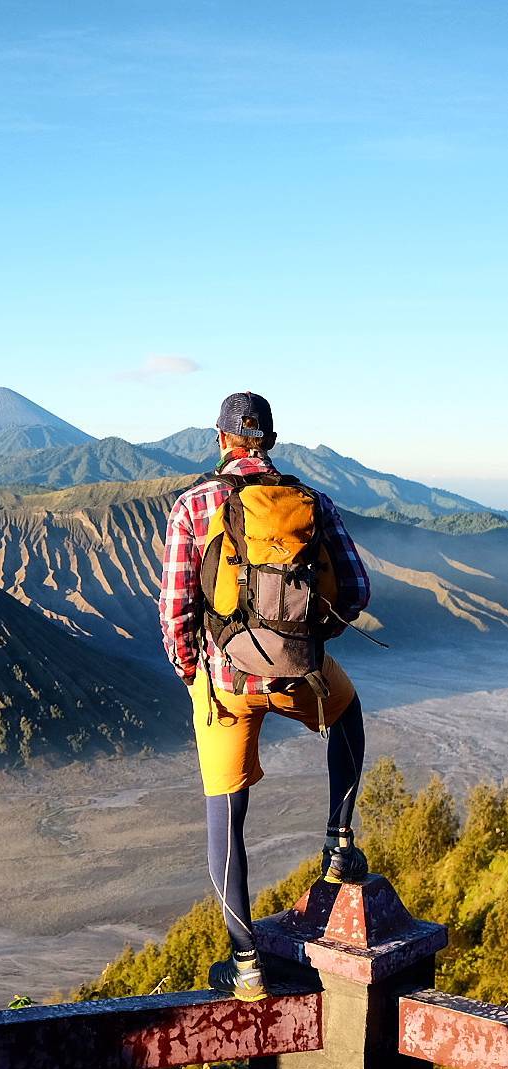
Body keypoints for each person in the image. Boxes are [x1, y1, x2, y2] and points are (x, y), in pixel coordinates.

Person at [158, 391, 372, 1001]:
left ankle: (247, 965)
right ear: (270, 440)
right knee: (349, 716)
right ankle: (338, 845)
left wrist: (194, 673)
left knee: (226, 818)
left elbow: (175, 611)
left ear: (221, 440)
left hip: (225, 684)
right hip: (302, 674)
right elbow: (356, 590)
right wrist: (308, 644)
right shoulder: (310, 501)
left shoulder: (193, 505)